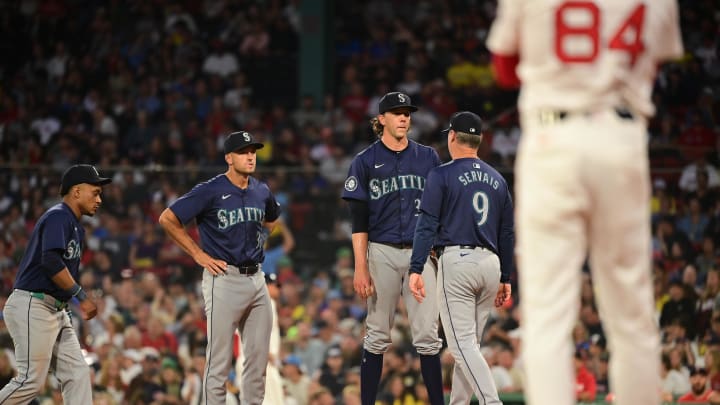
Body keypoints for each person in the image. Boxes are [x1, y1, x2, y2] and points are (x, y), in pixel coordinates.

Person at [487, 1, 684, 405]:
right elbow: (655, 65)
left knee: (547, 314)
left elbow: (504, 69)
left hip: (552, 138)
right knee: (631, 312)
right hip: (620, 137)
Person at [158, 131, 281, 404]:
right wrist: (198, 254)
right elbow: (168, 219)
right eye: (244, 152)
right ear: (229, 157)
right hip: (224, 278)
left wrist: (262, 238)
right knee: (219, 361)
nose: (250, 156)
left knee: (258, 361)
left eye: (253, 152)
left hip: (257, 279)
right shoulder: (210, 190)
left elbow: (272, 217)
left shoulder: (261, 190)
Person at [341, 91, 445, 405]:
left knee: (428, 336)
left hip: (420, 251)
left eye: (407, 113)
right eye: (397, 112)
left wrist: (437, 245)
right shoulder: (364, 161)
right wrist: (360, 266)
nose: (403, 118)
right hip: (381, 251)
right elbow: (358, 221)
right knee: (376, 335)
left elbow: (439, 208)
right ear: (382, 119)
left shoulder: (428, 157)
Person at [408, 111, 514, 404]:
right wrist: (506, 276)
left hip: (458, 261)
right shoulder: (498, 179)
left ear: (452, 136)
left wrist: (416, 267)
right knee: (470, 348)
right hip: (491, 264)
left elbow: (427, 223)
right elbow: (507, 234)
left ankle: (492, 402)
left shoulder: (441, 174)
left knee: (462, 347)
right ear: (479, 141)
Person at [0, 164, 111, 403]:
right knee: (30, 381)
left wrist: (66, 305)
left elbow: (59, 273)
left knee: (78, 374)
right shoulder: (59, 215)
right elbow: (50, 261)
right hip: (33, 304)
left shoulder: (75, 227)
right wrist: (81, 296)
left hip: (54, 309)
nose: (99, 199)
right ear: (76, 191)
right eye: (95, 191)